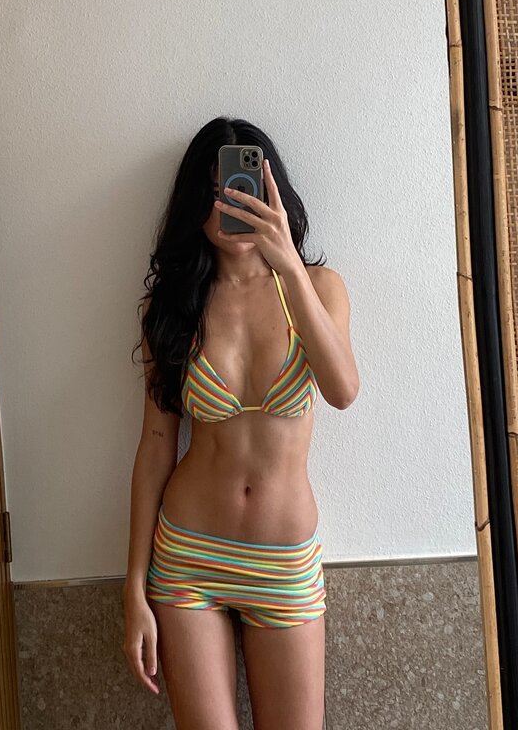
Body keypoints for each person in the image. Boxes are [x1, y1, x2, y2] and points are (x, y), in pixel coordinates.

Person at [122, 117, 359, 729]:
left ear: (270, 190)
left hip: (283, 563)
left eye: (241, 189)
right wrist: (134, 587)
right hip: (189, 558)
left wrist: (288, 267)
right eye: (213, 194)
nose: (228, 207)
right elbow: (155, 446)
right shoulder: (172, 305)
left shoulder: (319, 286)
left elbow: (342, 391)